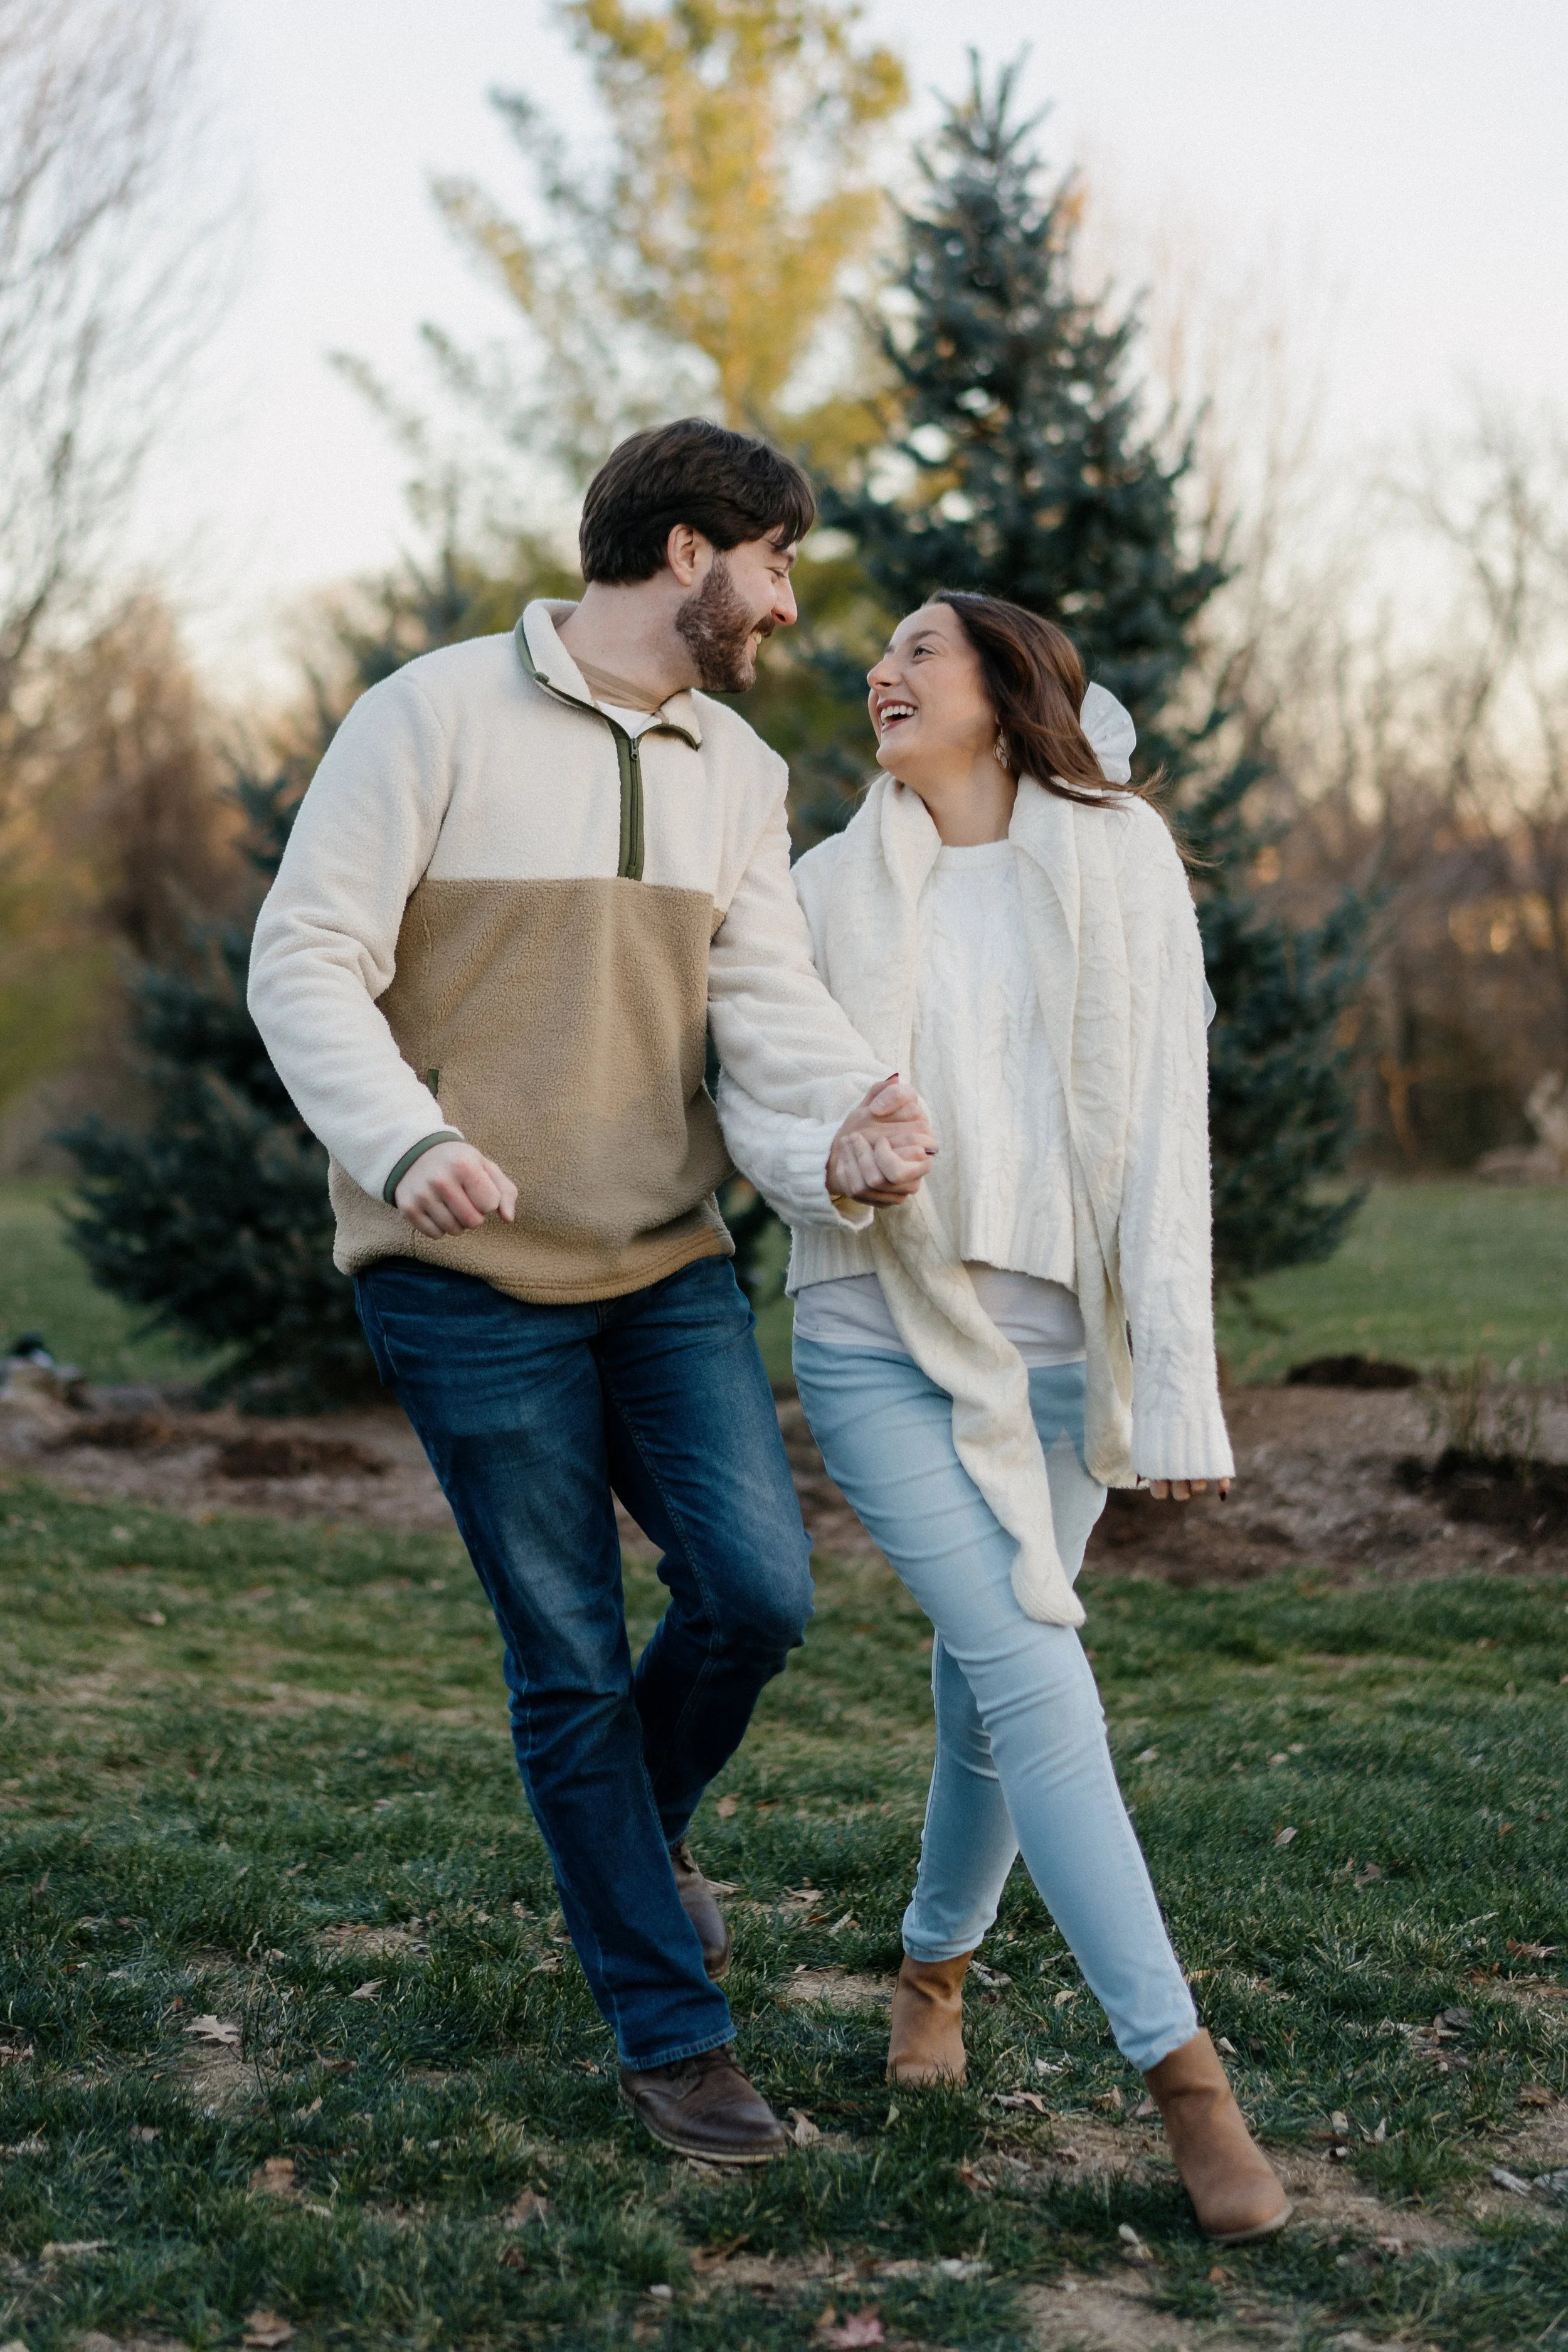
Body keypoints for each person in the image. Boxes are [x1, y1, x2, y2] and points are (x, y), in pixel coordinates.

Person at [246, 419, 937, 2166]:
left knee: (757, 1594)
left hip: (663, 1260)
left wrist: (845, 1116)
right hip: (460, 1273)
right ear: (691, 548)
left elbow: (759, 994)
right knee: (561, 1656)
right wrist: (407, 1145)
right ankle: (671, 2031)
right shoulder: (430, 716)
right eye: (775, 561)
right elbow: (305, 957)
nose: (786, 602)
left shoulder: (729, 767)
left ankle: (633, 1835)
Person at [716, 590, 1292, 2244]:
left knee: (986, 1686)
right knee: (1036, 1659)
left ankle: (929, 1975)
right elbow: (751, 1074)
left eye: (923, 648)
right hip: (877, 1332)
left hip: (1060, 1355)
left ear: (1008, 683)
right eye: (880, 656)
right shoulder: (823, 886)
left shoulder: (1115, 862)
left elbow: (1169, 1124)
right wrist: (829, 1148)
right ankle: (1187, 2081)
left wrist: (1173, 1373)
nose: (885, 673)